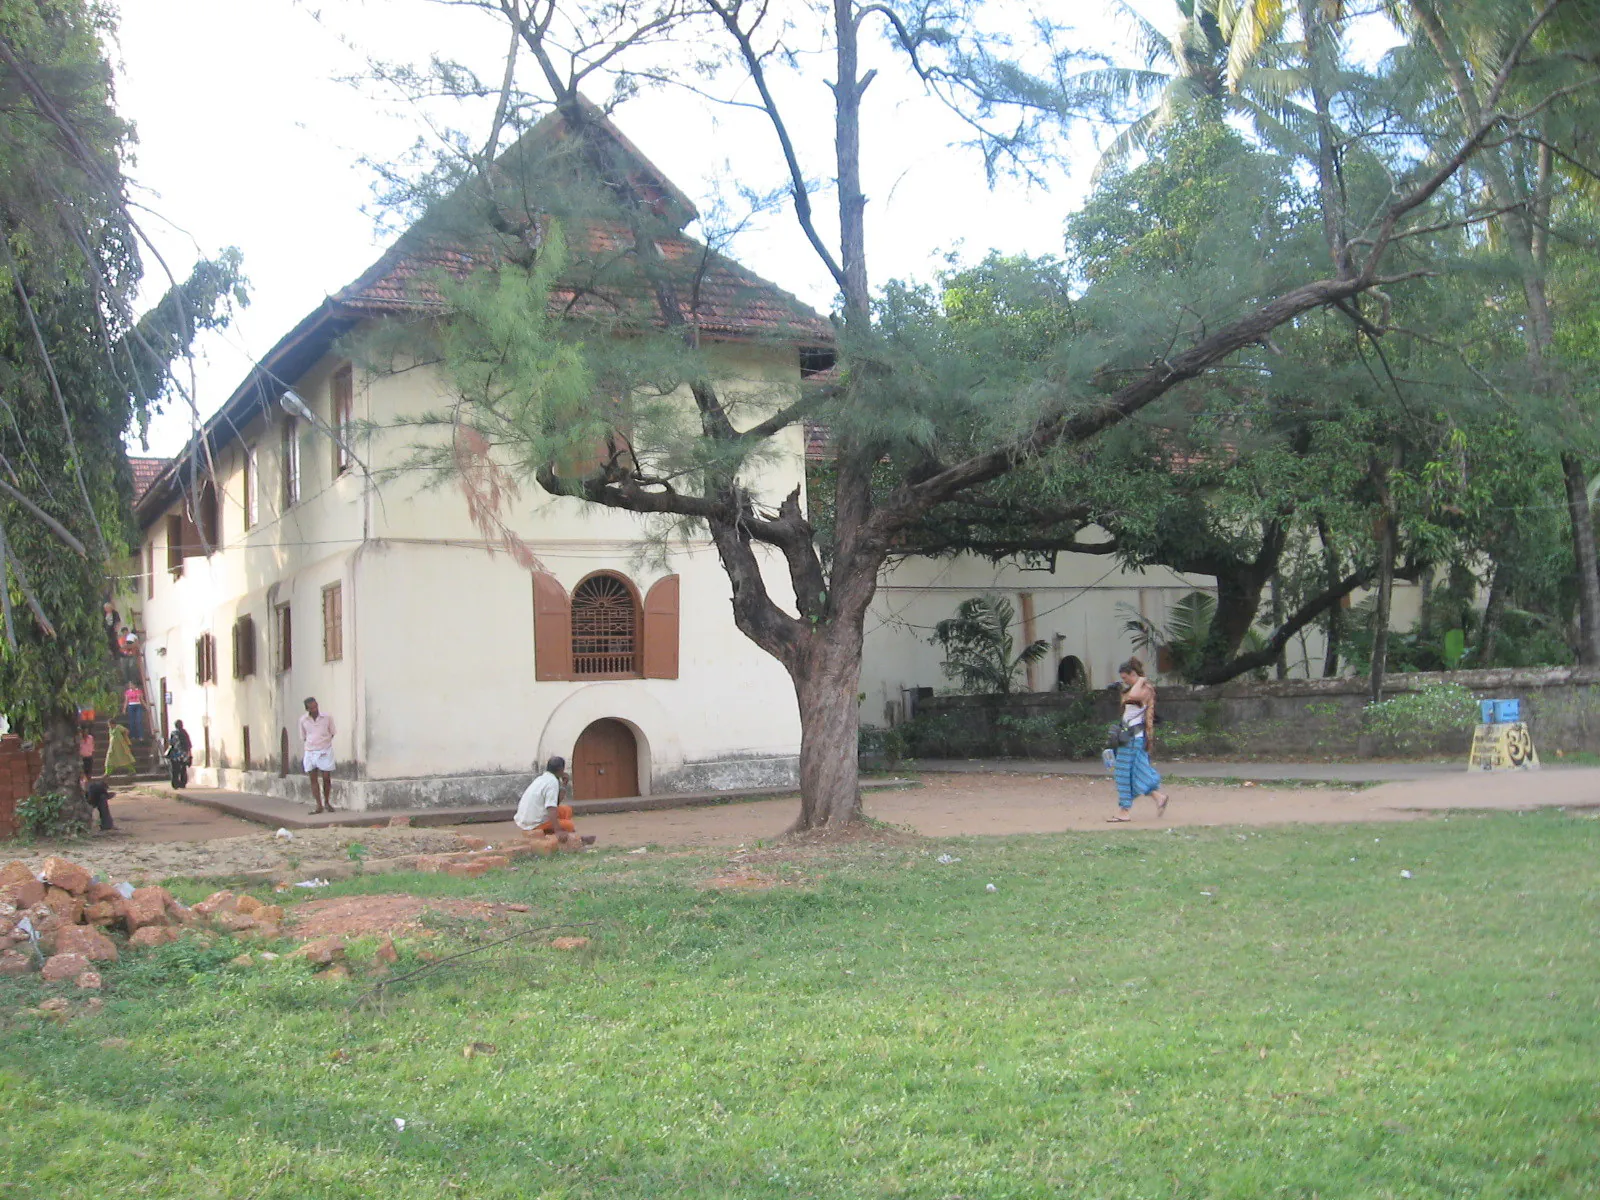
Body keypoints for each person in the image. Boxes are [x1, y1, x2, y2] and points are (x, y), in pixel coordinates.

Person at [1109, 657, 1168, 822]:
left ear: (1133, 674)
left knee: (1123, 773)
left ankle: (1124, 811)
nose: (1124, 681)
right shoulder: (1135, 688)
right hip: (1131, 737)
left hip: (1133, 738)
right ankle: (1159, 798)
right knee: (1138, 772)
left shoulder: (1145, 689)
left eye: (1126, 677)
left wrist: (1141, 680)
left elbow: (1133, 696)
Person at [514, 756, 595, 847]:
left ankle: (561, 832)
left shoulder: (542, 778)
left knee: (566, 810)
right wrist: (558, 830)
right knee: (569, 825)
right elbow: (551, 808)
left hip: (528, 818)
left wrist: (564, 785)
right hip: (534, 823)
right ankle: (574, 840)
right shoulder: (552, 782)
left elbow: (556, 803)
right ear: (561, 769)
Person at [298, 697, 337, 814]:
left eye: (316, 706)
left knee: (326, 777)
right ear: (307, 709)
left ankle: (327, 802)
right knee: (313, 778)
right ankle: (319, 805)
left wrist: (324, 742)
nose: (315, 709)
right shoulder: (303, 720)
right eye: (312, 708)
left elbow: (332, 732)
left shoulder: (327, 718)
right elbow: (303, 736)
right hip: (310, 751)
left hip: (325, 750)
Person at [167, 720, 193, 788]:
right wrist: (190, 755)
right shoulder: (184, 733)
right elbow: (188, 745)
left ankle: (175, 783)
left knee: (175, 769)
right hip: (183, 754)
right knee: (183, 769)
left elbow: (171, 744)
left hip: (175, 754)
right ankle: (182, 783)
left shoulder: (173, 733)